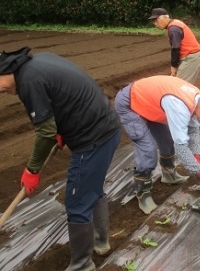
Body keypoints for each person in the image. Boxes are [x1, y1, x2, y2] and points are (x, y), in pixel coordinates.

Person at [0, 47, 121, 271]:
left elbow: (45, 132)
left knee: (77, 202)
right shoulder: (37, 62)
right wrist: (63, 128)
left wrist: (32, 170)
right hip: (106, 127)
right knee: (92, 190)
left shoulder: (29, 81)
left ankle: (82, 265)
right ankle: (101, 243)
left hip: (92, 139)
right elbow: (64, 98)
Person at [115, 75, 200, 214]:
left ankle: (169, 175)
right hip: (131, 103)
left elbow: (192, 130)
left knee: (166, 140)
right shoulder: (179, 106)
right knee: (148, 149)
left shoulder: (197, 99)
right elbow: (181, 146)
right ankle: (143, 194)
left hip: (151, 103)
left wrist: (196, 156)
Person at [148, 8, 200, 84]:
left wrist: (174, 67)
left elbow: (175, 49)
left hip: (190, 57)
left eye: (156, 21)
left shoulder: (173, 29)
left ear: (165, 17)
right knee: (181, 84)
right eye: (154, 22)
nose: (156, 24)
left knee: (181, 85)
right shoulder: (174, 23)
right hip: (190, 56)